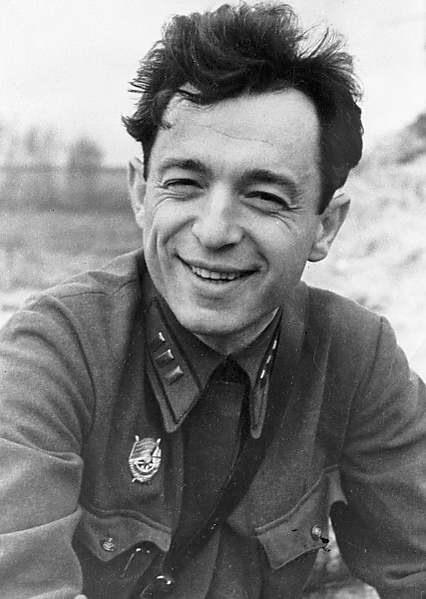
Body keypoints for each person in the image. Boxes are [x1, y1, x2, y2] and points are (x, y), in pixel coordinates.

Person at [1, 3, 425, 598]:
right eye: (184, 184)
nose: (214, 230)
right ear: (140, 192)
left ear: (325, 226)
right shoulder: (57, 353)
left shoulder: (357, 358)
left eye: (265, 196)